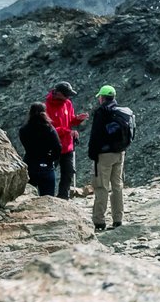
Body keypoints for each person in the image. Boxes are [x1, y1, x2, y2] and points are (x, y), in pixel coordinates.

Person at [86, 85, 134, 231]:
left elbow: (96, 134)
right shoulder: (121, 111)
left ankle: (99, 221)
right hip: (120, 152)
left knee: (102, 186)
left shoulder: (101, 112)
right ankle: (118, 219)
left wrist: (92, 153)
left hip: (104, 155)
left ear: (102, 97)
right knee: (117, 186)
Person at [43, 81, 85, 199]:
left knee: (68, 172)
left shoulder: (68, 103)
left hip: (67, 146)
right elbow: (49, 128)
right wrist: (67, 131)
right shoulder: (46, 106)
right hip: (53, 146)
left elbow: (70, 120)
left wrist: (77, 120)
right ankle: (47, 197)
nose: (68, 97)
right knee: (49, 173)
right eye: (66, 94)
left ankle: (63, 197)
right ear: (58, 93)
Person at [17, 102, 60, 197]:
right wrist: (51, 159)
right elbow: (58, 148)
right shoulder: (49, 129)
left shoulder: (24, 129)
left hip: (30, 165)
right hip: (46, 165)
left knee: (28, 198)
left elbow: (25, 144)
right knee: (48, 199)